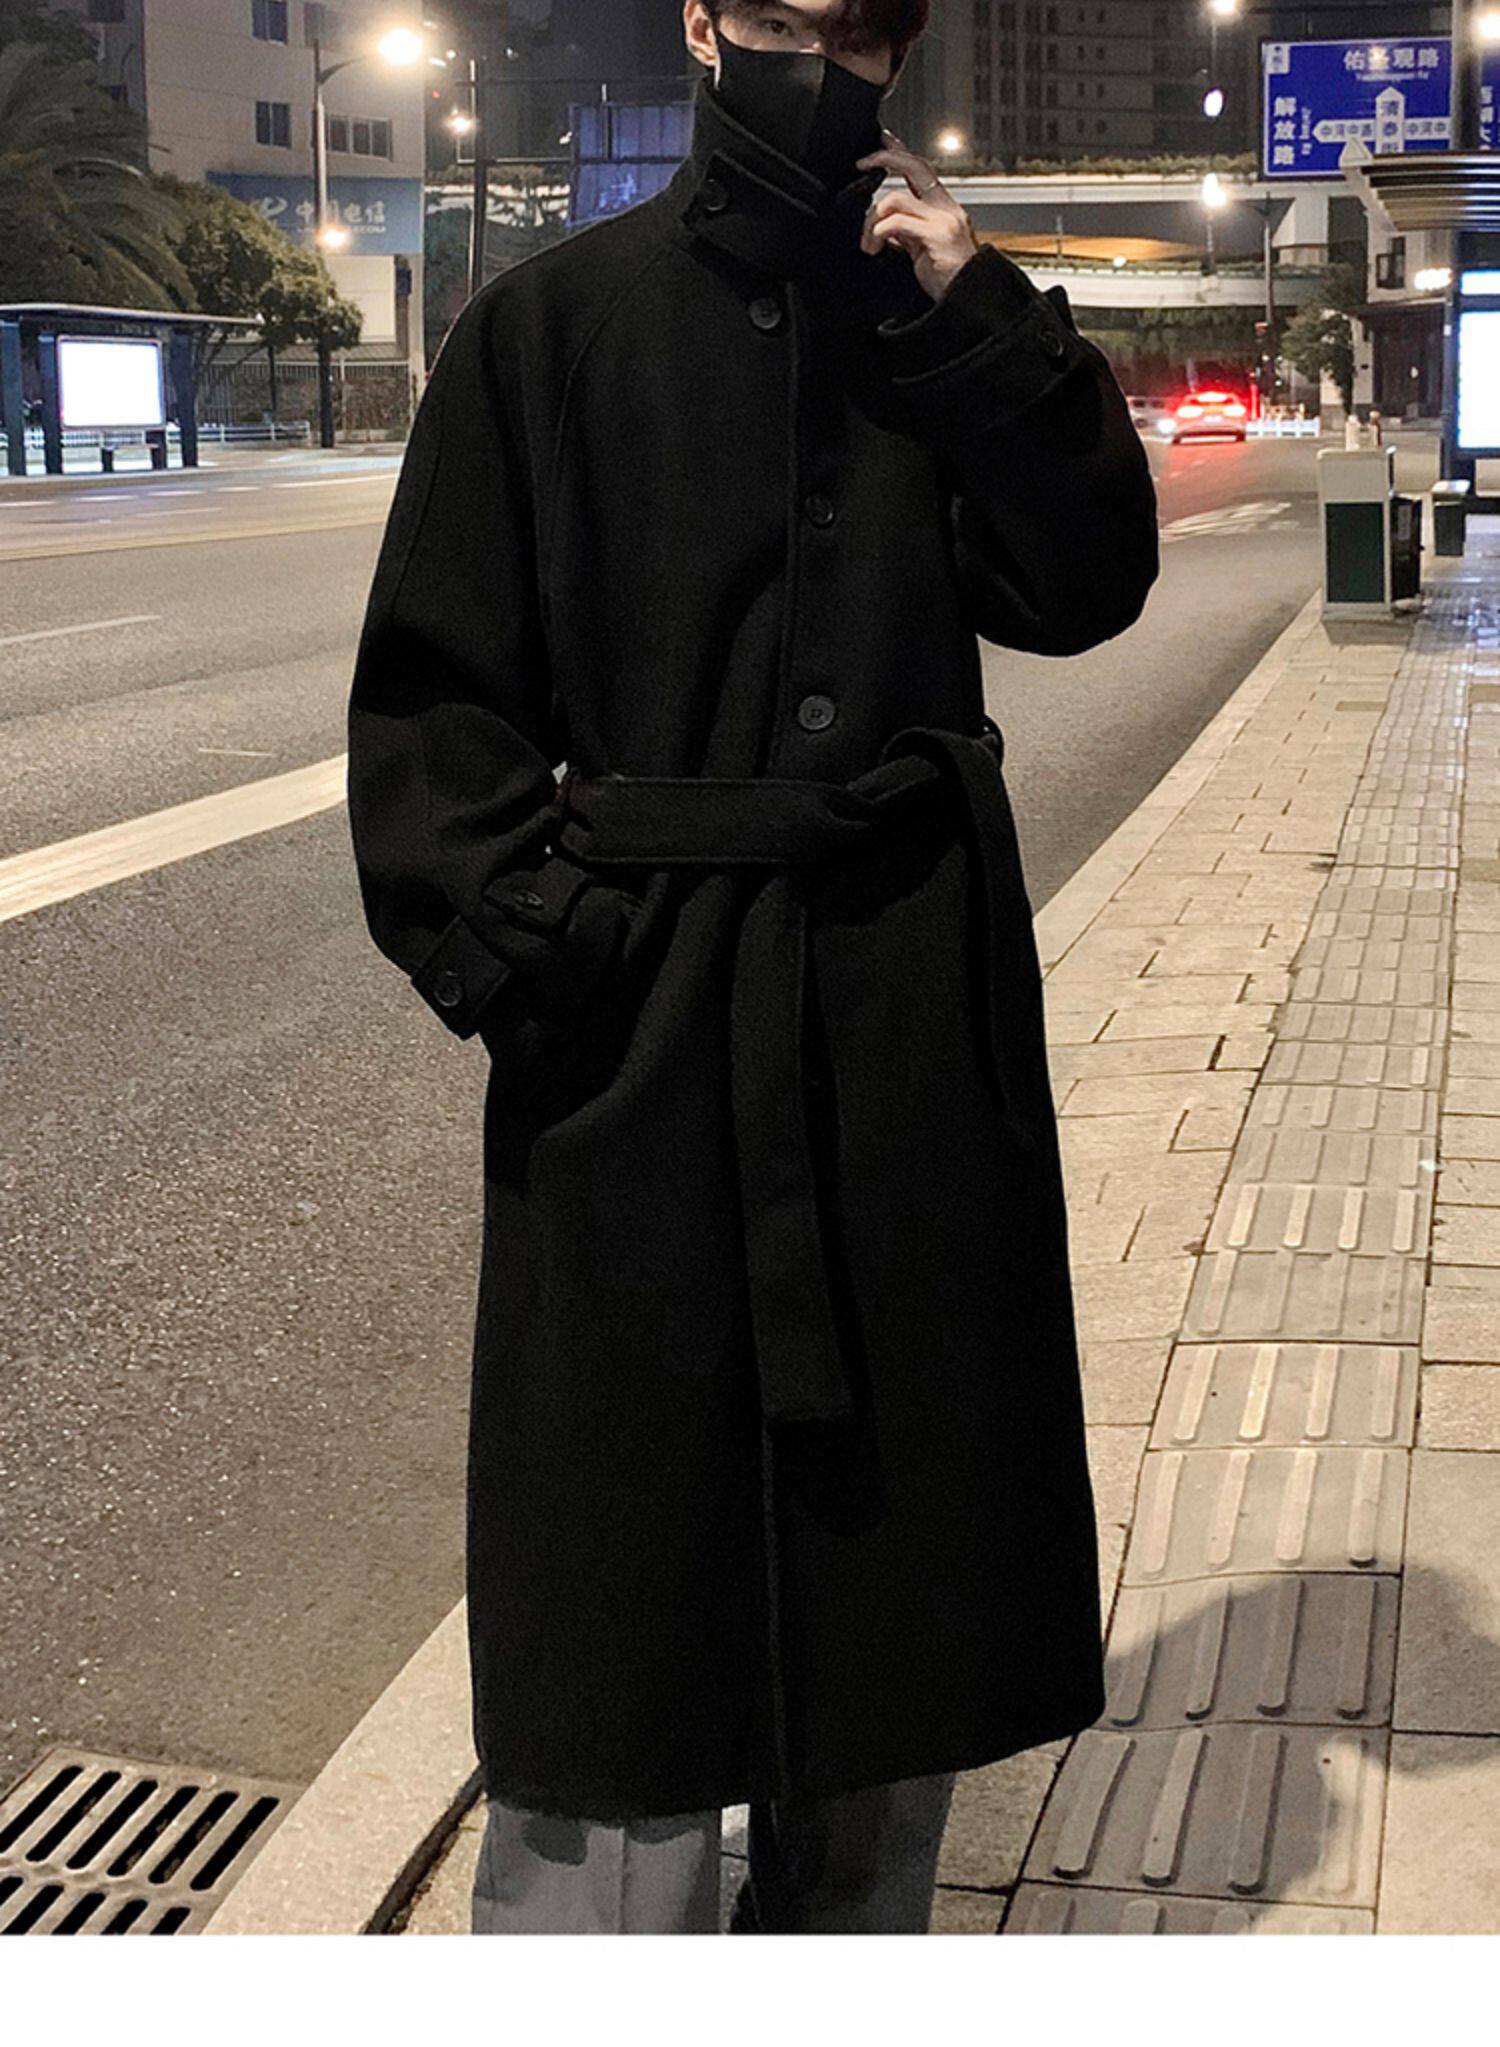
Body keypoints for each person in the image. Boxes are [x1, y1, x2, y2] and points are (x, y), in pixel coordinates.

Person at [345, 0, 1159, 1936]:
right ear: (703, 21)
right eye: (784, 18)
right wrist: (562, 964)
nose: (823, 63)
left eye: (860, 29)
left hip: (898, 1042)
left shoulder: (930, 326)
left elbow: (1083, 583)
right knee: (618, 1650)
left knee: (891, 1638)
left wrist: (983, 320)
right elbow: (433, 719)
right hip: (641, 1062)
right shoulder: (551, 328)